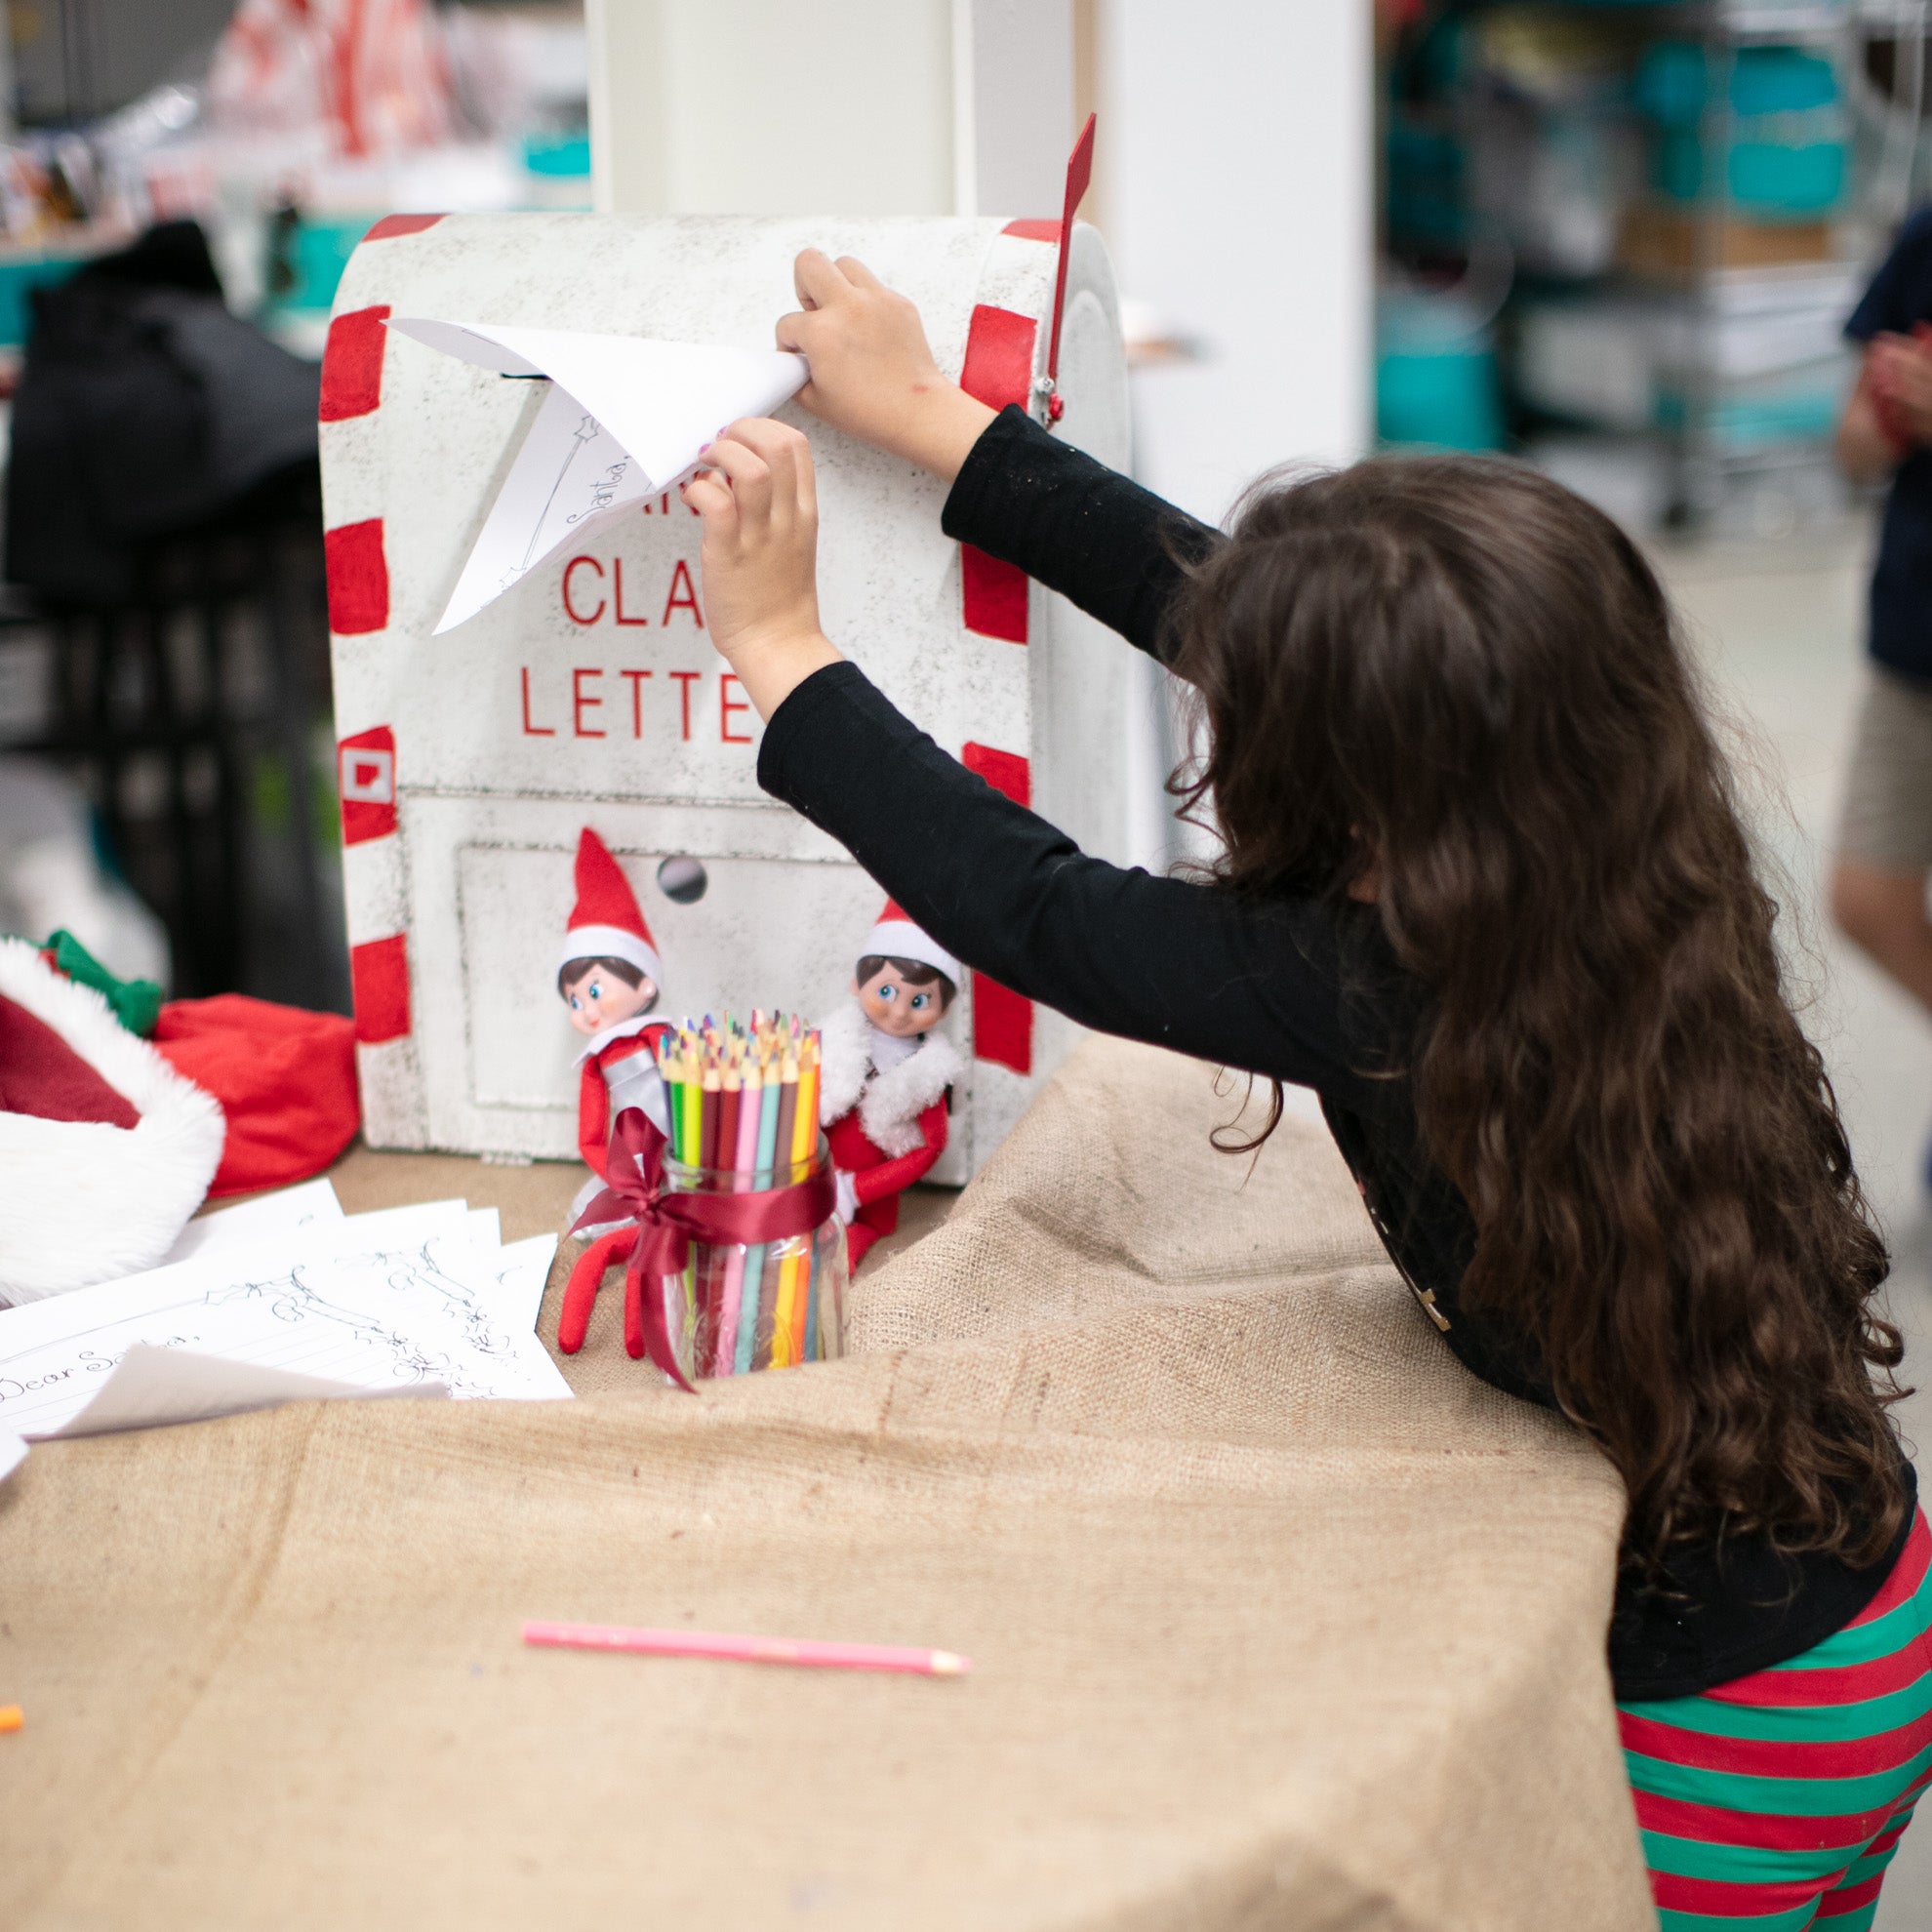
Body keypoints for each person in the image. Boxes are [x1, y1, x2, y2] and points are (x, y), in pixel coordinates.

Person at [677, 249, 1932, 1927]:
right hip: (1869, 1601)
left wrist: (781, 645)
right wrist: (932, 417)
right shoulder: (1622, 853)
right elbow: (1246, 613)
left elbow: (1030, 906)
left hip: (1732, 1724)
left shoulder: (1374, 980)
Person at [1833, 212, 1932, 1049]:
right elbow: (1854, 446)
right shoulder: (1925, 236)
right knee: (1866, 897)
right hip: (1913, 633)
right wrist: (1887, 418)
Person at [818, 898, 963, 1268]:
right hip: (811, 1180)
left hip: (870, 1202)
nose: (899, 1012)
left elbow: (928, 1149)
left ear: (944, 1010)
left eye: (920, 1000)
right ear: (856, 982)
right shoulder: (830, 1041)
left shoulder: (928, 1073)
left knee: (835, 1254)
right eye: (886, 991)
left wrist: (855, 1191)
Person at [556, 825, 671, 1181]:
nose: (586, 1010)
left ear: (646, 984)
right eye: (574, 1001)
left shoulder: (657, 1035)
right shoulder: (597, 1061)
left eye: (593, 992)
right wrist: (613, 1175)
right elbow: (590, 1133)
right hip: (635, 1154)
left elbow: (691, 1079)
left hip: (688, 1143)